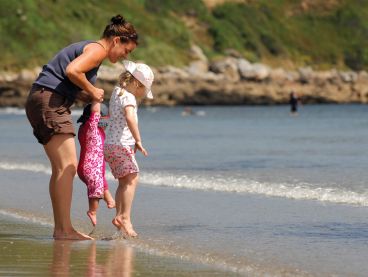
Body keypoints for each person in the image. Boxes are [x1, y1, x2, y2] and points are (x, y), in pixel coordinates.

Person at [25, 14, 139, 240]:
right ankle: (63, 230)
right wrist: (92, 91)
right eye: (126, 50)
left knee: (63, 166)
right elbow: (72, 71)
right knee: (66, 166)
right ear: (116, 40)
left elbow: (66, 80)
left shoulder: (90, 48)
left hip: (43, 99)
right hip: (49, 102)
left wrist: (86, 96)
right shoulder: (97, 50)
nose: (125, 55)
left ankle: (62, 229)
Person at [104, 60, 154, 238]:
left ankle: (119, 217)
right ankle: (125, 217)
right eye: (144, 91)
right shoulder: (129, 97)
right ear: (137, 84)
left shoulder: (117, 92)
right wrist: (138, 140)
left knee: (124, 182)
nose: (142, 95)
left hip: (109, 145)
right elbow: (130, 117)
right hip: (121, 145)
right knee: (133, 179)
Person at [77, 102, 116, 227]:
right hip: (90, 167)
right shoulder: (91, 128)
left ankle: (110, 200)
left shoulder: (85, 129)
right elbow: (95, 114)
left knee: (102, 184)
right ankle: (92, 211)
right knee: (97, 188)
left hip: (92, 168)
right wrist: (96, 100)